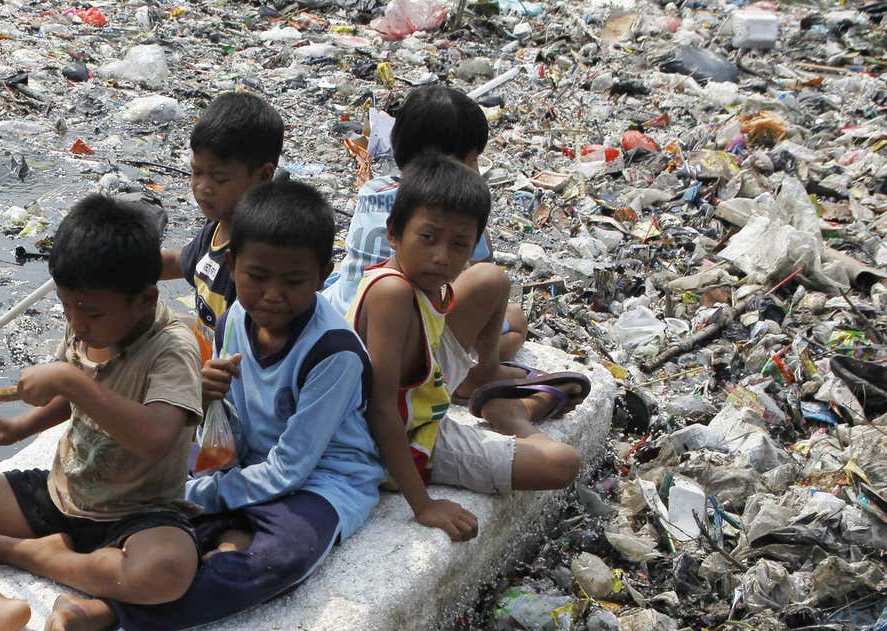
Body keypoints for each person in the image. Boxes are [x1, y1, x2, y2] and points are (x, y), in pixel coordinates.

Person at [30, 180, 385, 631]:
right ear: (233, 266)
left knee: (277, 563)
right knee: (160, 526)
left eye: (294, 281)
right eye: (257, 276)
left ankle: (108, 610)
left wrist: (201, 491)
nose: (272, 295)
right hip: (248, 465)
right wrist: (209, 396)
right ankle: (138, 555)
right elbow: (231, 423)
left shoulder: (333, 353)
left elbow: (293, 467)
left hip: (323, 482)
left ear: (324, 274)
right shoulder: (238, 316)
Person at [0, 194, 203, 631]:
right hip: (64, 494)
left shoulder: (172, 349)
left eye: (92, 312)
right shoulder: (89, 325)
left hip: (136, 513)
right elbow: (71, 399)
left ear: (145, 300)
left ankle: (35, 555)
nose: (77, 325)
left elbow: (158, 436)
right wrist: (20, 427)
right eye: (67, 307)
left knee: (167, 573)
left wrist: (70, 382)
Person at [347, 153, 589, 543]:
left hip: (425, 391)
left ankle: (484, 378)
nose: (442, 257)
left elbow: (474, 280)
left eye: (459, 245)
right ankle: (514, 417)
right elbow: (379, 409)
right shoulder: (390, 292)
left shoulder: (418, 282)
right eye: (428, 238)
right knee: (562, 463)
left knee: (491, 279)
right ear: (393, 233)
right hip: (405, 439)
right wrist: (423, 505)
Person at [325, 85, 529, 396]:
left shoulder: (373, 190)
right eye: (473, 161)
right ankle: (476, 377)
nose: (476, 172)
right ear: (449, 164)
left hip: (345, 314)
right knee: (513, 320)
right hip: (403, 340)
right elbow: (478, 282)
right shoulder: (454, 219)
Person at [161, 91, 284, 336]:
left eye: (219, 178)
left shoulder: (258, 254)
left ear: (264, 176)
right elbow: (180, 262)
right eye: (196, 172)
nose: (203, 188)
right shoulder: (218, 227)